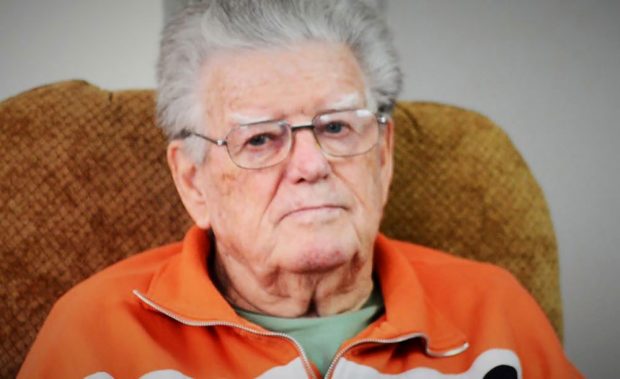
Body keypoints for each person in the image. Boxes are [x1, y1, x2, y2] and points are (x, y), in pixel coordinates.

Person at [19, 1, 582, 378]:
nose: (311, 164)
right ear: (194, 183)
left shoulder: (498, 314)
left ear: (383, 156)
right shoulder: (94, 333)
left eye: (337, 126)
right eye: (261, 139)